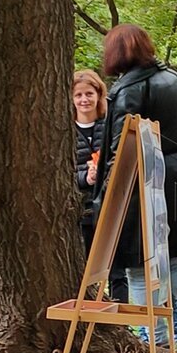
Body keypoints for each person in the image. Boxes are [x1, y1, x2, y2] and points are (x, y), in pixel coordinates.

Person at [96, 24, 177, 353]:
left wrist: (106, 198)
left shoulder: (130, 90)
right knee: (166, 258)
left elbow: (121, 151)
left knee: (138, 263)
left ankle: (152, 339)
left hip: (148, 181)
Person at [72, 69, 108, 256]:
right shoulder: (64, 130)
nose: (84, 100)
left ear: (99, 95)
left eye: (89, 94)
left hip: (110, 207)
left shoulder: (109, 125)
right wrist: (86, 178)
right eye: (78, 95)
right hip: (82, 211)